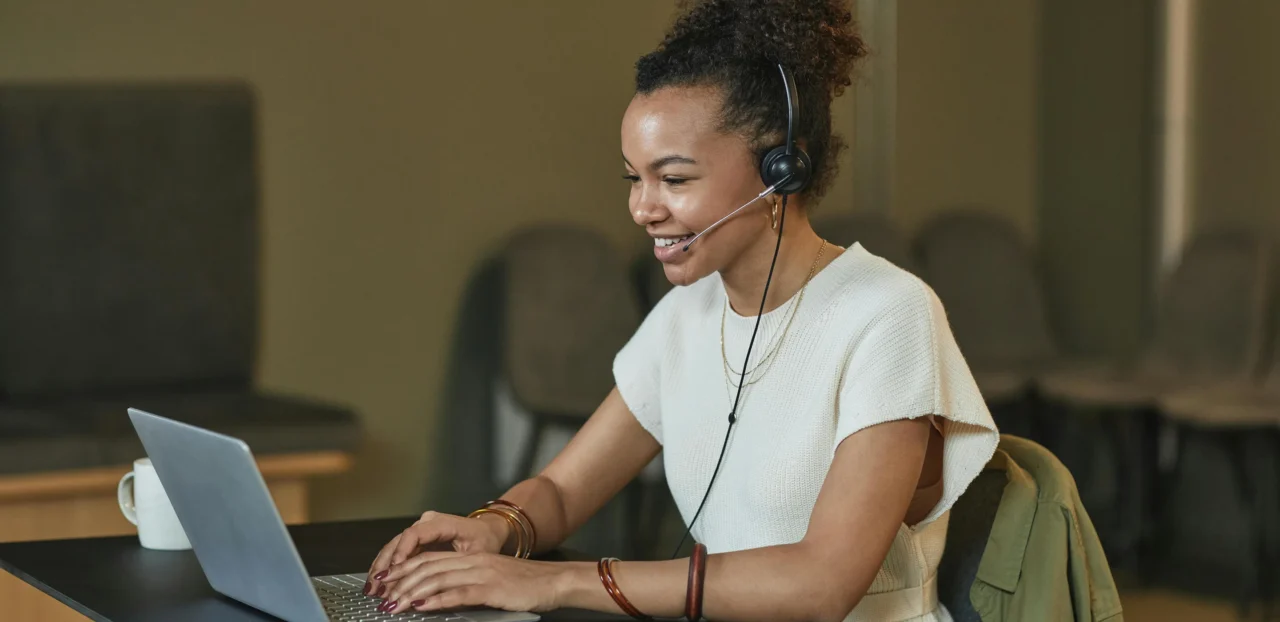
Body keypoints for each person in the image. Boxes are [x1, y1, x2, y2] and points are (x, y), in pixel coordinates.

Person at [367, 1, 998, 620]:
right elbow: (560, 490)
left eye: (673, 179)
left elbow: (820, 585)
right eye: (633, 179)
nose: (643, 208)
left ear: (781, 169)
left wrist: (550, 583)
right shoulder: (686, 312)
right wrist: (496, 530)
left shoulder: (889, 315)